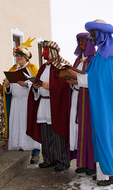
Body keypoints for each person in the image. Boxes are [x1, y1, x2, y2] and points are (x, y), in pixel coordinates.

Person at [68, 19, 113, 186]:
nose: (92, 38)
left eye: (94, 34)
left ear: (101, 35)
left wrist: (76, 77)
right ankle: (106, 173)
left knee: (104, 135)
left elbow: (95, 79)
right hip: (105, 103)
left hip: (105, 104)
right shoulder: (104, 54)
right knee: (104, 135)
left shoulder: (105, 56)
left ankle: (107, 175)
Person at [27, 41, 71, 171]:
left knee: (58, 133)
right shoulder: (43, 67)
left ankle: (62, 161)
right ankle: (49, 159)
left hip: (57, 105)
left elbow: (65, 87)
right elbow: (39, 86)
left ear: (52, 51)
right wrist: (36, 88)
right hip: (43, 103)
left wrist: (49, 86)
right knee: (46, 133)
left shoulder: (62, 67)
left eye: (45, 50)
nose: (43, 53)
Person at [3, 37, 41, 164]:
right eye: (17, 56)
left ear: (26, 57)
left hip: (27, 102)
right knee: (18, 125)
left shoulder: (33, 68)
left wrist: (27, 84)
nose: (19, 58)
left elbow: (38, 85)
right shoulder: (12, 69)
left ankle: (35, 153)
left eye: (21, 56)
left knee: (28, 124)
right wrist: (7, 87)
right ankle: (20, 148)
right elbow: (8, 89)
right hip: (15, 102)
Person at [66, 33, 96, 175]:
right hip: (77, 96)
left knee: (89, 131)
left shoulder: (94, 60)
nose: (81, 44)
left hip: (89, 98)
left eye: (83, 42)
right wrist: (71, 80)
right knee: (78, 129)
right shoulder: (78, 59)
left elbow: (95, 79)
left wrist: (77, 81)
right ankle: (82, 162)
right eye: (79, 42)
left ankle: (92, 165)